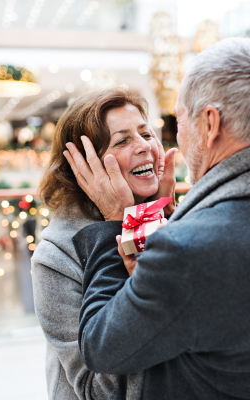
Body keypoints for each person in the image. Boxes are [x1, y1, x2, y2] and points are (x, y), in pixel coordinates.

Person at [66, 37, 250, 399]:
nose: (176, 138)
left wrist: (113, 222)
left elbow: (100, 346)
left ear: (210, 122)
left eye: (179, 120)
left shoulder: (188, 249)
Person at [32, 88, 177, 400]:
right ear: (88, 168)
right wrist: (120, 224)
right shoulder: (54, 257)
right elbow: (97, 391)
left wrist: (162, 214)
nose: (146, 148)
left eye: (145, 133)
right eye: (123, 140)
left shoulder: (159, 215)